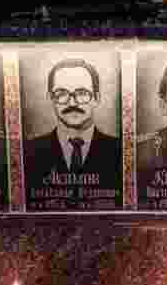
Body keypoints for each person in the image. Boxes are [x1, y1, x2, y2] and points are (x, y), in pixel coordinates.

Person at [23, 57, 121, 189]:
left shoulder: (120, 151)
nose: (72, 103)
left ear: (96, 98)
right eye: (61, 93)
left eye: (81, 93)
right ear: (50, 99)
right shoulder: (28, 152)